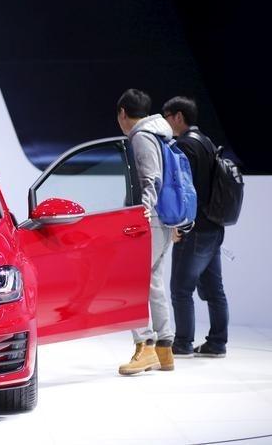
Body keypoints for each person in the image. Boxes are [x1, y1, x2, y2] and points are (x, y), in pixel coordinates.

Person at [162, 96, 228, 358]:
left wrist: (179, 225)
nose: (166, 122)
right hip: (214, 227)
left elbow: (185, 192)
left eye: (167, 116)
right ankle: (217, 343)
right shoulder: (208, 142)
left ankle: (183, 343)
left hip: (195, 228)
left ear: (178, 116)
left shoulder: (184, 146)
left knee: (180, 289)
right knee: (215, 290)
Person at [116, 88, 175, 375]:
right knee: (153, 282)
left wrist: (141, 214)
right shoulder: (161, 134)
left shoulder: (140, 137)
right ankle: (165, 350)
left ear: (123, 113)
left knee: (129, 282)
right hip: (164, 220)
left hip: (149, 220)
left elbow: (150, 179)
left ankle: (145, 346)